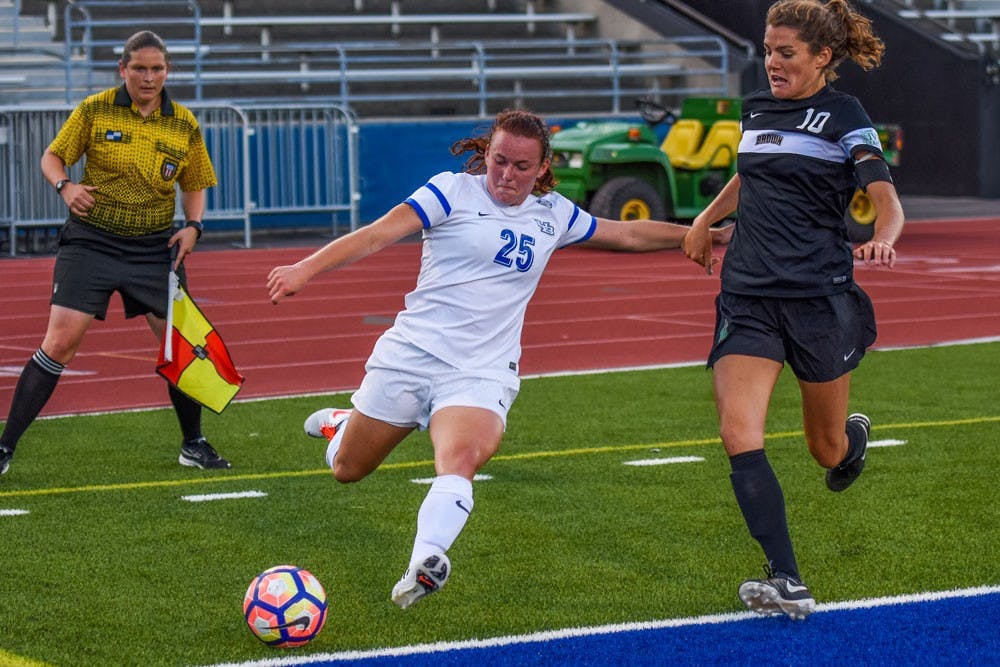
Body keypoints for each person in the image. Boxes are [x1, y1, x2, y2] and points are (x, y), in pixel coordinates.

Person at [267, 108, 732, 609]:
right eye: (499, 161)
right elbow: (379, 233)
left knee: (462, 458)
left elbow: (624, 233)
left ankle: (425, 561)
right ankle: (345, 425)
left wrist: (694, 232)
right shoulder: (451, 191)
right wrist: (305, 268)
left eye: (521, 167)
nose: (506, 176)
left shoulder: (553, 212)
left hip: (481, 371)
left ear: (541, 169)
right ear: (486, 153)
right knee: (348, 470)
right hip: (411, 357)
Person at [681, 0, 905, 620]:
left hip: (818, 299)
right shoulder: (755, 107)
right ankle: (787, 577)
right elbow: (748, 174)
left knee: (824, 451)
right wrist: (704, 218)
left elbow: (883, 193)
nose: (773, 63)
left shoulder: (845, 116)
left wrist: (884, 235)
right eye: (768, 50)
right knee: (737, 432)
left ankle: (850, 441)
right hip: (748, 294)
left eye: (787, 53)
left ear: (822, 57)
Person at [0, 30, 230, 478]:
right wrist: (65, 188)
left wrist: (194, 226)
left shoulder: (183, 123)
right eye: (140, 68)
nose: (149, 78)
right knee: (61, 343)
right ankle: (5, 447)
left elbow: (195, 181)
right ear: (122, 69)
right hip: (91, 242)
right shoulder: (94, 108)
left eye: (157, 69)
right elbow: (53, 157)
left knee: (179, 344)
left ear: (168, 71)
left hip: (153, 248)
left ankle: (193, 443)